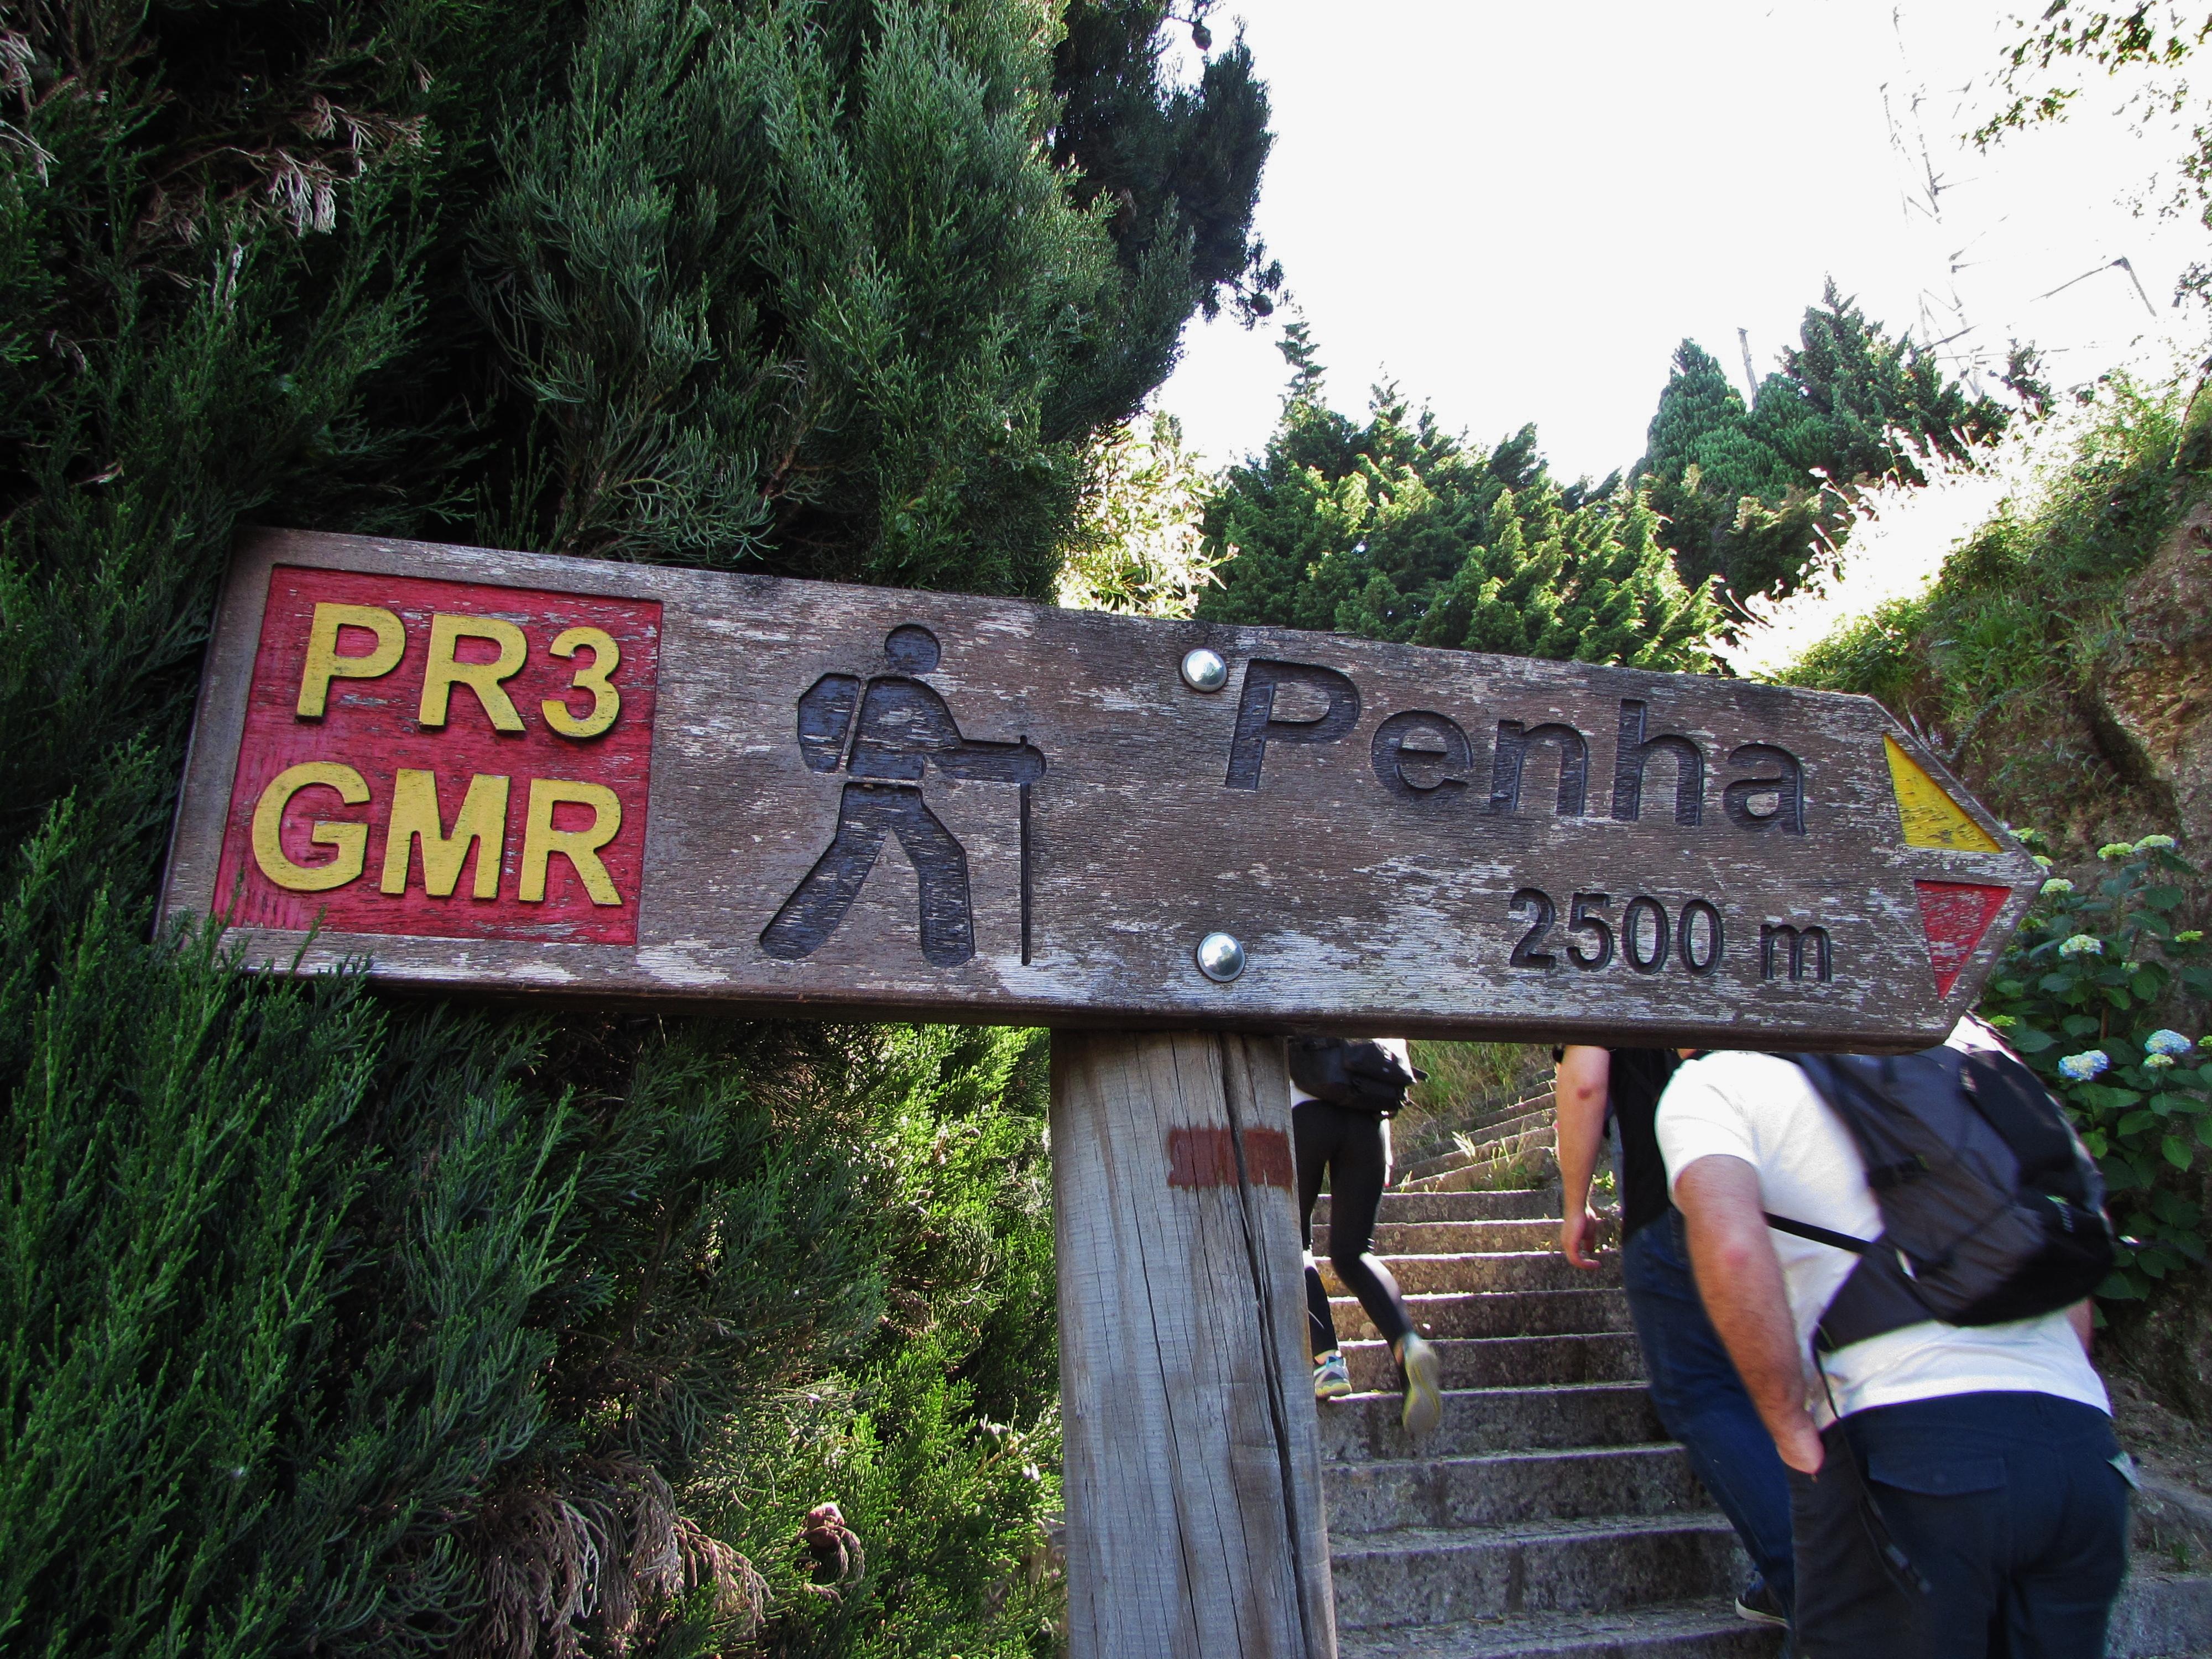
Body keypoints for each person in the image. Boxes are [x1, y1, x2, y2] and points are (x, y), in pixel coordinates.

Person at [1658, 1023, 2128, 1659]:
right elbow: (2064, 1234)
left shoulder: (1715, 1082)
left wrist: (1786, 1423)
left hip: (1907, 1448)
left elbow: (1734, 1245)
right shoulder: (1969, 1051)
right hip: (2079, 1452)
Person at [1554, 1046, 1794, 1629]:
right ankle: (1815, 1565)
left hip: (1676, 1195)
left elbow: (1585, 1081)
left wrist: (1574, 1205)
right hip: (1791, 1188)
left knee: (1702, 1392)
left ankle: (1810, 1577)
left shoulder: (1598, 960)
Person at [1294, 1036, 1442, 1436]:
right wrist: (1387, 1145)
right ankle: (1407, 1344)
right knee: (1354, 1252)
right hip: (1369, 1117)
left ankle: (1327, 1362)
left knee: (1294, 1243)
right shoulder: (1374, 977)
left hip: (1303, 1106)